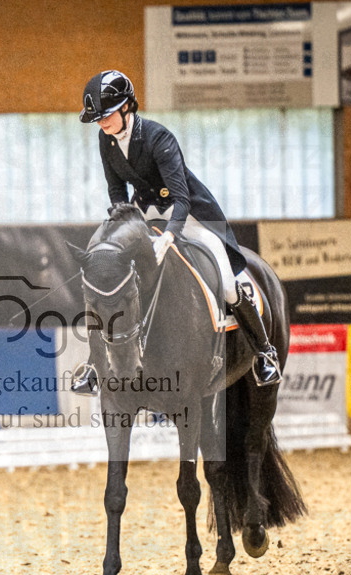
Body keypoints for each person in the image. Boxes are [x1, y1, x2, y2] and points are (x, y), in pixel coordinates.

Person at [73, 69, 280, 393]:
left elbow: (181, 198)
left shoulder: (158, 138)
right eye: (97, 118)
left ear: (127, 107)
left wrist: (169, 237)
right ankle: (93, 364)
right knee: (111, 275)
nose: (102, 123)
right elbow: (116, 189)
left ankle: (264, 353)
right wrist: (122, 221)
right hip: (144, 212)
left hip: (188, 213)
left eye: (107, 115)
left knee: (228, 283)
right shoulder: (106, 139)